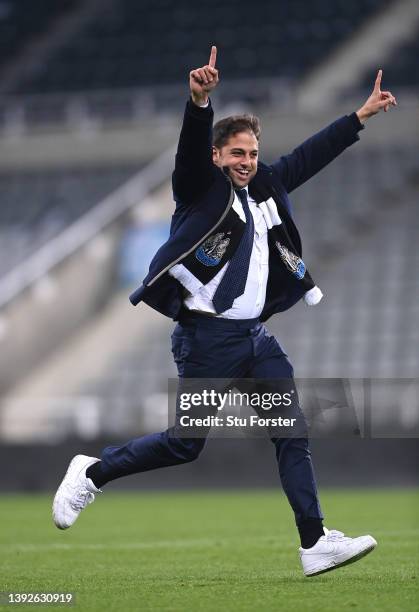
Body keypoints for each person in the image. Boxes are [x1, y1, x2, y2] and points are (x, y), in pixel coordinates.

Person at [53, 47, 396, 577]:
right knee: (185, 445)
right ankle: (93, 472)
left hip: (256, 339)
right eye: (237, 153)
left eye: (253, 153)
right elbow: (189, 152)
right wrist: (199, 102)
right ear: (219, 157)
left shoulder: (265, 189)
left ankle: (314, 542)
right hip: (207, 339)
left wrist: (359, 117)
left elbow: (309, 155)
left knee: (292, 432)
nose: (246, 161)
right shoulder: (199, 190)